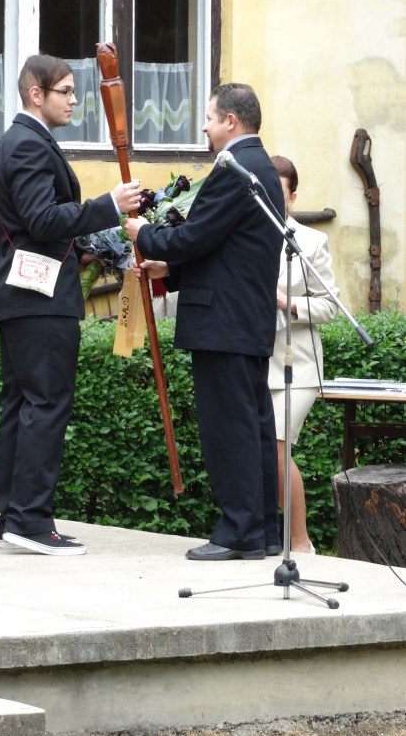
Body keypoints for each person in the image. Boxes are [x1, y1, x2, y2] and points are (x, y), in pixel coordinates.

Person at [0, 54, 142, 556]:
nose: (75, 100)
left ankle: (14, 516)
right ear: (37, 94)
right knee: (46, 403)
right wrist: (108, 206)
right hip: (39, 298)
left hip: (25, 295)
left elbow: (38, 223)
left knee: (25, 402)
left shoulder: (22, 141)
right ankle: (30, 522)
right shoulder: (30, 144)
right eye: (67, 91)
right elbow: (43, 217)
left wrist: (92, 244)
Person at [126, 83, 284, 561]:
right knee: (253, 427)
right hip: (243, 319)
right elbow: (224, 249)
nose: (205, 126)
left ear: (231, 121)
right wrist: (168, 271)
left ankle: (238, 531)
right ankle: (263, 532)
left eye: (211, 118)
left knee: (229, 428)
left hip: (225, 322)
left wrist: (144, 234)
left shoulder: (235, 169)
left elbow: (196, 236)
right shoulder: (262, 167)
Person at [269, 155, 338, 554]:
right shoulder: (243, 235)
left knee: (278, 448)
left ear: (293, 197)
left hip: (298, 363)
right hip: (253, 360)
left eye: (280, 195)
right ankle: (268, 539)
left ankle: (301, 543)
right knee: (259, 452)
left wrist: (286, 304)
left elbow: (329, 307)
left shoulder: (311, 241)